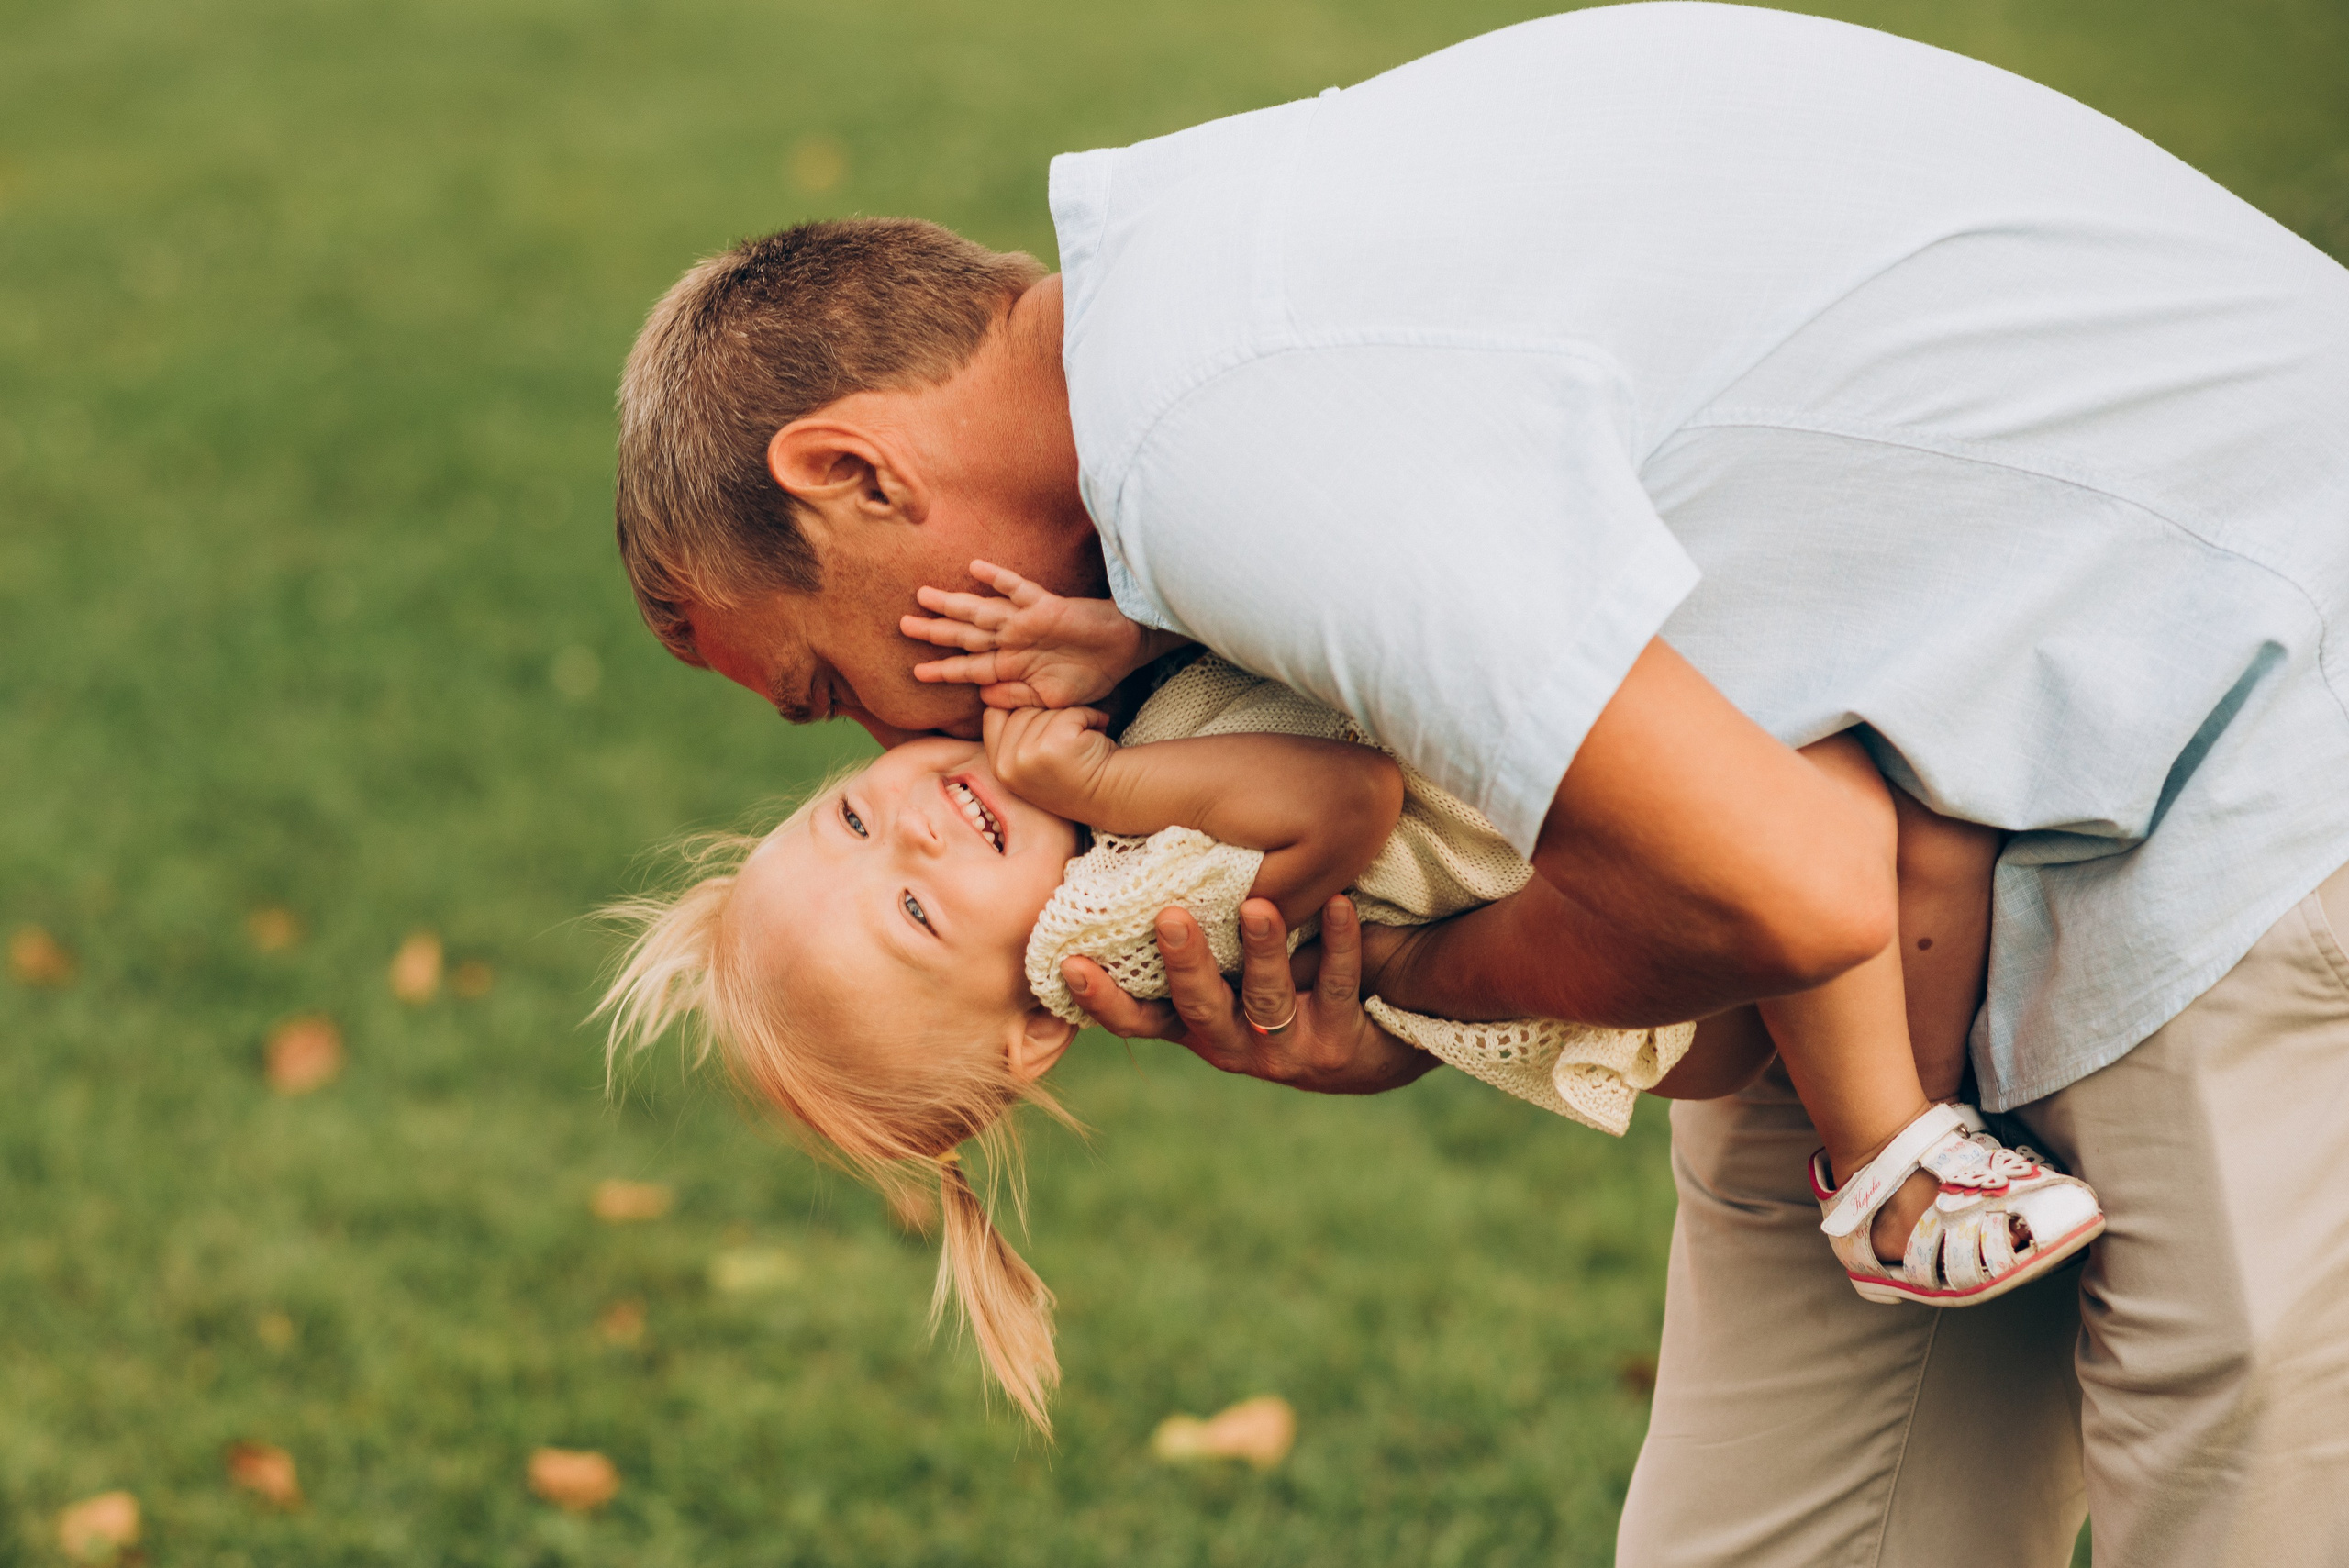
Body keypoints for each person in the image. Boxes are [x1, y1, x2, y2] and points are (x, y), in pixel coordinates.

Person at [609, 6, 2349, 1562]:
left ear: (850, 471)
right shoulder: (1178, 329)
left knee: (2238, 1487)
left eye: (836, 685)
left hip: (2222, 706)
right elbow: (1743, 947)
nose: (897, 753)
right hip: (1922, 814)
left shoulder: (1233, 436)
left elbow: (1798, 891)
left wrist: (1412, 992)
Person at [597, 577, 2102, 1428]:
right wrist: (1101, 775)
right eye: (917, 911)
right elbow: (1344, 787)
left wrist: (1113, 669)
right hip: (1601, 902)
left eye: (847, 823)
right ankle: (1888, 1154)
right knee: (1839, 829)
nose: (912, 831)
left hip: (1574, 863)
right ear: (1036, 1018)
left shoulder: (1041, 773)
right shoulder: (1112, 909)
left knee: (1885, 811)